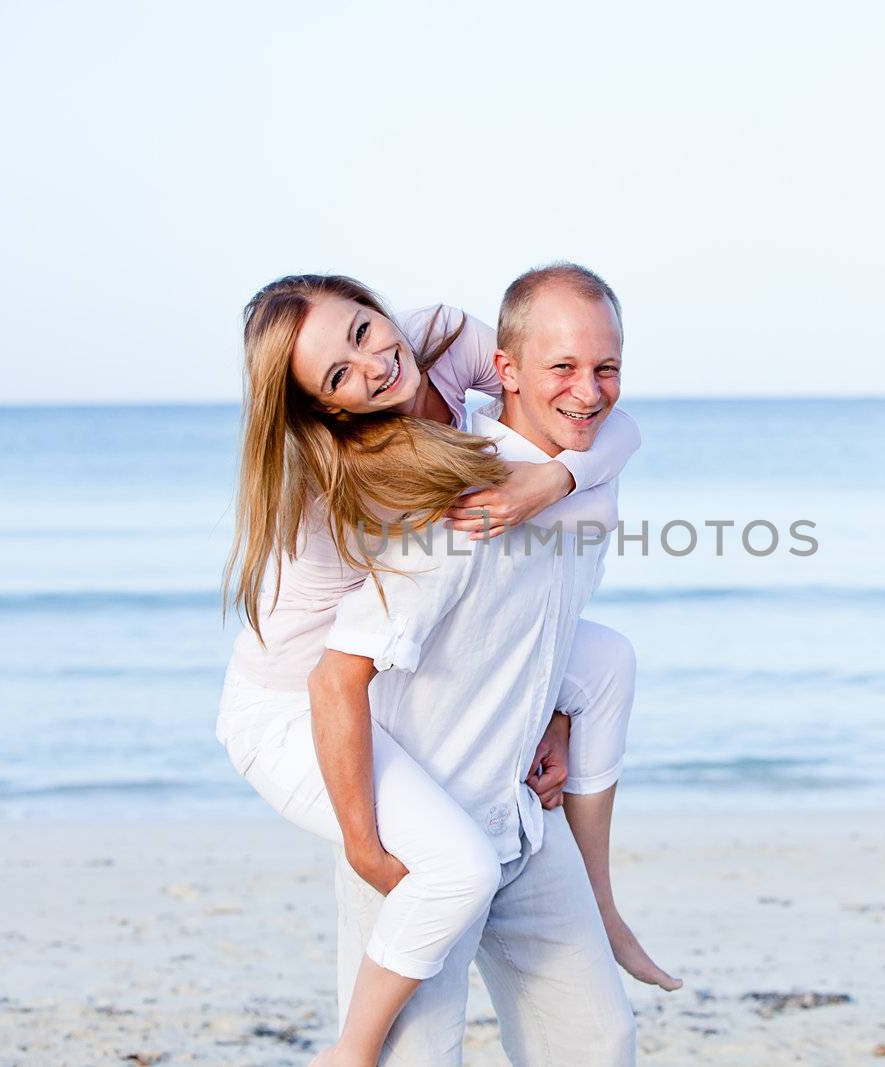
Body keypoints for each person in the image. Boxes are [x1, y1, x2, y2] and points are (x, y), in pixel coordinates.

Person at [216, 270, 675, 1064]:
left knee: (605, 660)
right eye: (338, 375)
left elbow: (607, 432)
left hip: (496, 788)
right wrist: (366, 844)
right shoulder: (391, 493)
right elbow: (335, 680)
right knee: (416, 1036)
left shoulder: (446, 349)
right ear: (326, 407)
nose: (371, 364)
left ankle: (603, 904)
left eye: (363, 331)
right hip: (329, 729)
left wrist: (556, 477)